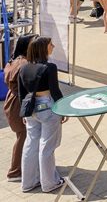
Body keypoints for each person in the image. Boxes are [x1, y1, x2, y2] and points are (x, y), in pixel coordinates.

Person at [19, 36, 65, 194]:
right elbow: (55, 91)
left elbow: (21, 93)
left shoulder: (23, 68)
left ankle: (28, 182)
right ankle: (49, 183)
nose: (53, 46)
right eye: (50, 44)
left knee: (30, 145)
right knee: (47, 147)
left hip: (30, 108)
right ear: (44, 48)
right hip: (48, 107)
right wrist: (63, 109)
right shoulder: (49, 67)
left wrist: (24, 114)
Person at [4, 34, 36, 182]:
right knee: (23, 136)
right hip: (18, 103)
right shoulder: (24, 64)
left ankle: (24, 167)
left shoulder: (14, 60)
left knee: (23, 136)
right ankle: (15, 171)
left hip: (12, 102)